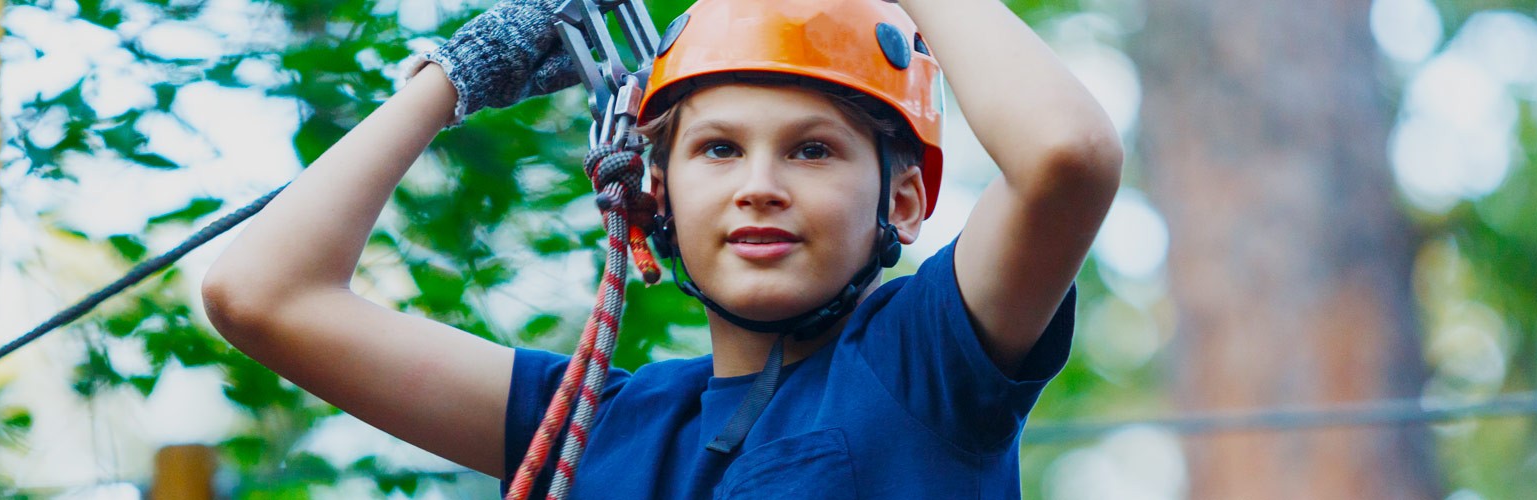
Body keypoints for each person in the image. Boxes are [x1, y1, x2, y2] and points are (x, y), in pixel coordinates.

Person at [200, 0, 1121, 496]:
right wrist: (454, 78)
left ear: (909, 199)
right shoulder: (599, 424)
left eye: (812, 149)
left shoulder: (924, 363)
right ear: (655, 198)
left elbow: (1066, 156)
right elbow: (262, 294)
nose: (760, 183)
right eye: (718, 149)